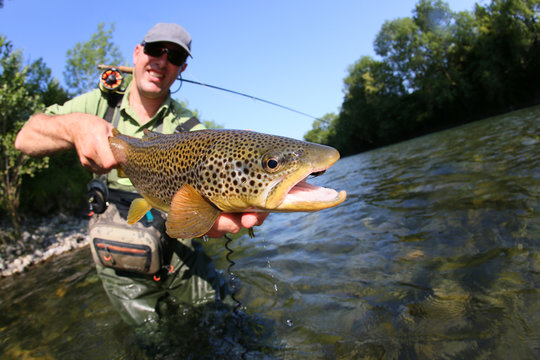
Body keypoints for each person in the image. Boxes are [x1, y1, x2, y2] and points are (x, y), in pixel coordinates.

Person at [15, 23, 268, 331]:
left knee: (223, 321)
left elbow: (219, 181)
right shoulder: (99, 105)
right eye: (154, 50)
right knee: (153, 340)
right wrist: (73, 126)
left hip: (179, 244)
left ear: (181, 68)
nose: (162, 61)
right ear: (137, 53)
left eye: (173, 56)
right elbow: (25, 138)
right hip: (117, 251)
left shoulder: (190, 128)